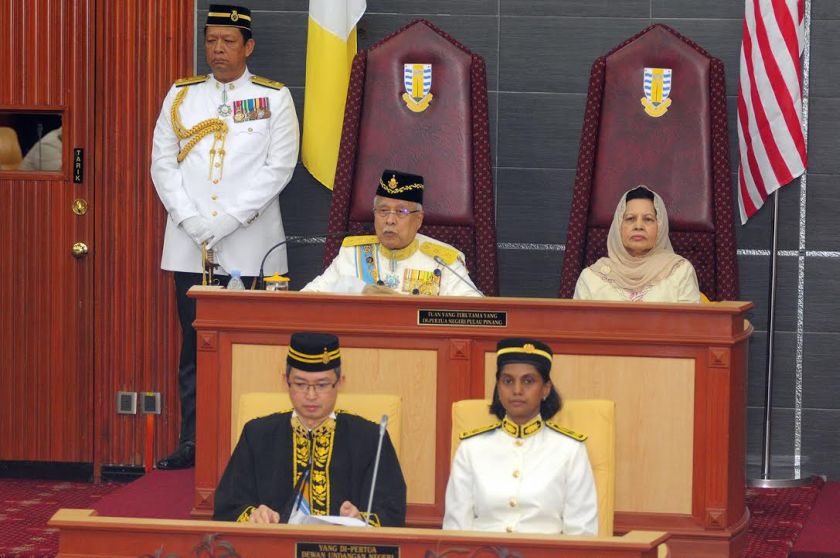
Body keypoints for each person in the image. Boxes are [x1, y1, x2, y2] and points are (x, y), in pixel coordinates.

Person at [150, 4, 299, 469]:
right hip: (189, 243)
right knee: (194, 346)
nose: (217, 49)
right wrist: (193, 221)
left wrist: (229, 219)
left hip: (251, 247)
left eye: (228, 41)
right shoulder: (181, 95)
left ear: (248, 46)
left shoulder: (273, 98)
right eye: (211, 40)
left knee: (255, 345)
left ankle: (251, 444)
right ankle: (193, 443)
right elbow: (162, 164)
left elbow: (279, 168)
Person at [213, 332, 407, 526]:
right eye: (300, 384)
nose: (311, 395)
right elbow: (228, 506)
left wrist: (361, 520)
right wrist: (254, 515)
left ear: (340, 383)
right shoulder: (258, 434)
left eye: (322, 385)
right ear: (285, 382)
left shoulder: (370, 438)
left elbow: (392, 512)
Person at [443, 338, 598, 535]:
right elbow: (455, 530)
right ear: (498, 388)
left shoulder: (570, 450)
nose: (517, 390)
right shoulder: (471, 448)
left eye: (528, 381)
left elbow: (582, 534)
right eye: (508, 381)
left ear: (546, 389)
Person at [302, 170, 482, 296]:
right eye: (383, 211)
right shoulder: (352, 254)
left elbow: (475, 311)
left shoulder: (443, 261)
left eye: (401, 212)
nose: (390, 220)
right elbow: (309, 298)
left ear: (418, 219)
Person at [573, 186, 700, 303]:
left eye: (648, 219)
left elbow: (692, 325)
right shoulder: (592, 278)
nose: (639, 226)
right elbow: (577, 327)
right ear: (618, 227)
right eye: (630, 219)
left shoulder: (680, 272)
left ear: (660, 227)